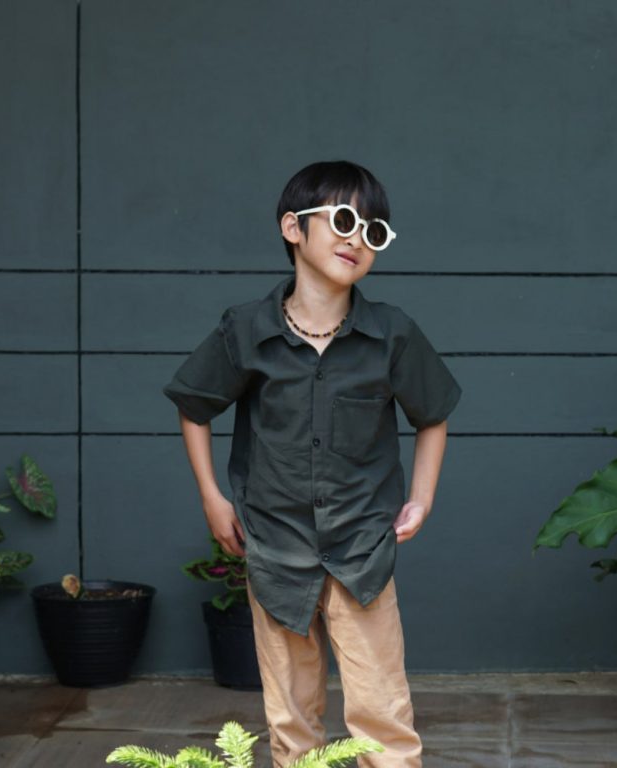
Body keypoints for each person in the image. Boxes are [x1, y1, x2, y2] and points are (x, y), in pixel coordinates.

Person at [163, 160, 462, 767]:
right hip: (276, 550)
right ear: (292, 228)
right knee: (292, 721)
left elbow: (433, 414)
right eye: (344, 220)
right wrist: (212, 498)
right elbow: (194, 406)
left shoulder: (392, 334)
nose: (358, 239)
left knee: (383, 716)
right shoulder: (246, 330)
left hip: (362, 550)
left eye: (374, 231)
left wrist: (422, 497)